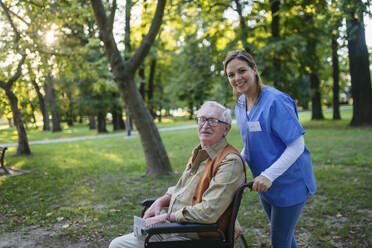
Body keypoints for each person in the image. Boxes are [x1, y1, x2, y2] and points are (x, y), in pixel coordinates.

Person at [109, 101, 246, 248]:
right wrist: (161, 201)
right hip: (177, 227)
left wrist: (166, 217)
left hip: (197, 235)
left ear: (226, 129)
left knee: (118, 246)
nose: (205, 125)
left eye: (212, 121)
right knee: (121, 242)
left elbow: (209, 211)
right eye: (202, 119)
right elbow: (185, 188)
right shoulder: (200, 152)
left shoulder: (230, 162)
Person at [223, 50, 316, 248]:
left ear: (254, 69)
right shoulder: (240, 104)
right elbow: (249, 145)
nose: (237, 78)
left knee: (279, 241)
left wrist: (269, 175)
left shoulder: (276, 101)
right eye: (231, 75)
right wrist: (232, 166)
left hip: (289, 182)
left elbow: (297, 144)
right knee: (285, 237)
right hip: (264, 183)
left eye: (242, 71)